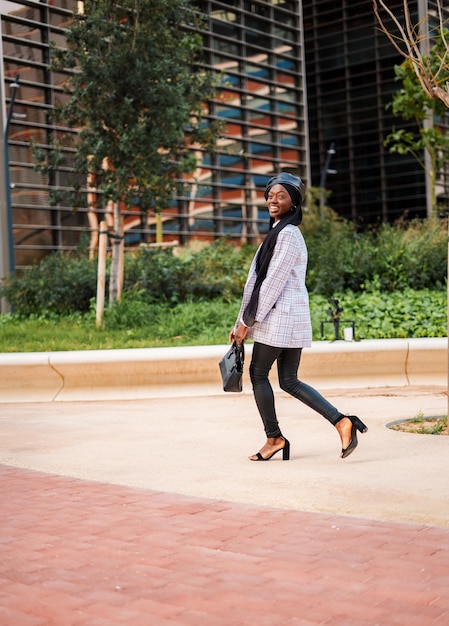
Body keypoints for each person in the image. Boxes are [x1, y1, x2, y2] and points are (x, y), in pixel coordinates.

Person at [230, 172, 367, 461]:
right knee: (289, 380)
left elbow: (270, 284)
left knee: (258, 374)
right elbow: (258, 283)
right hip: (283, 316)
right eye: (270, 195)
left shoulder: (288, 234)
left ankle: (274, 438)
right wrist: (240, 320)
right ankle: (342, 422)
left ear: (293, 202)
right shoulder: (280, 231)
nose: (273, 200)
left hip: (280, 317)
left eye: (281, 195)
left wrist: (245, 323)